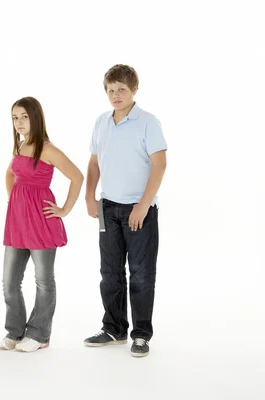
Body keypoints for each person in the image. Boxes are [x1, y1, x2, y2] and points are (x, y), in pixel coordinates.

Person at [83, 64, 167, 357]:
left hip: (138, 210)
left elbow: (160, 165)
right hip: (108, 207)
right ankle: (113, 329)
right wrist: (89, 197)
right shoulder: (101, 122)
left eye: (122, 89)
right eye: (111, 90)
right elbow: (94, 163)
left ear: (134, 90)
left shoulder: (147, 122)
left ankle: (141, 334)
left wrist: (142, 206)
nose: (116, 95)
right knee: (110, 273)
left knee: (142, 274)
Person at [0, 96, 83, 352]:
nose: (19, 122)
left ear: (35, 118)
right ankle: (15, 331)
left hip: (41, 222)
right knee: (9, 282)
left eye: (24, 116)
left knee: (43, 280)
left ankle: (39, 334)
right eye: (15, 118)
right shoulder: (19, 146)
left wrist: (64, 210)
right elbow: (10, 174)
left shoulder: (47, 149)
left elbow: (77, 176)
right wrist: (15, 201)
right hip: (17, 222)